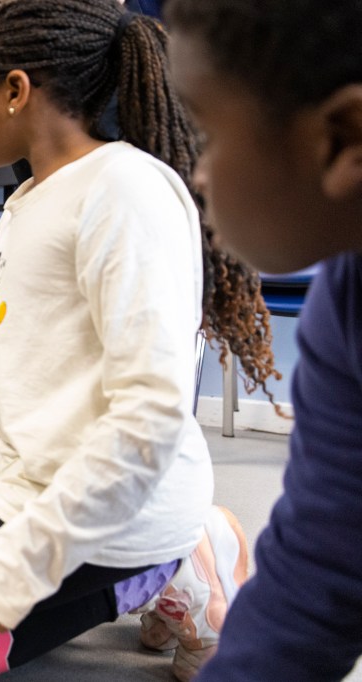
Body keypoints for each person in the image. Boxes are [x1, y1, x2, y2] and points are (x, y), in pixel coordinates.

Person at [0, 1, 279, 680]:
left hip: (127, 499)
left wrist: (13, 568)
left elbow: (148, 420)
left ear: (14, 91)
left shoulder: (125, 192)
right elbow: (35, 377)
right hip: (33, 478)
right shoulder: (23, 205)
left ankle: (181, 569)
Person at [166, 2, 362, 680]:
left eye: (209, 135)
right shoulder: (343, 299)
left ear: (344, 138)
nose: (199, 173)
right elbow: (318, 575)